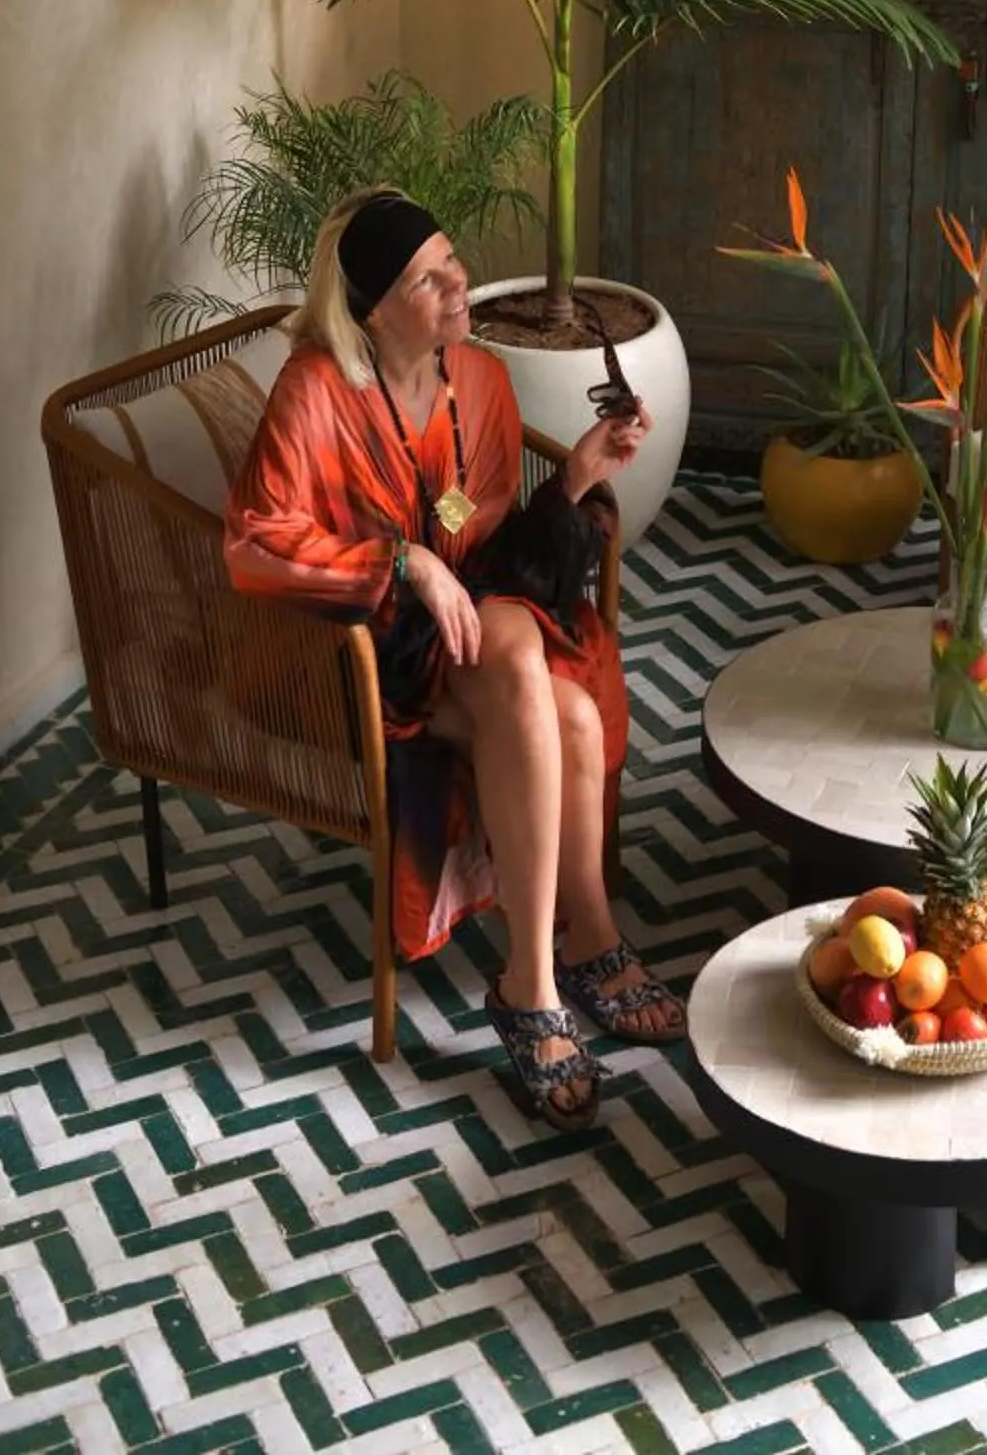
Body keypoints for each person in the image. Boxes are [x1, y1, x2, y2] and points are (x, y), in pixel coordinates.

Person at [223, 187, 684, 1123]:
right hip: (368, 652)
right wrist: (403, 561)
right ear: (375, 308)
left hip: (473, 642)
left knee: (570, 709)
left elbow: (501, 554)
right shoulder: (317, 391)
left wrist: (579, 477)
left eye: (453, 259)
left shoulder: (478, 383)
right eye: (430, 277)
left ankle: (555, 969)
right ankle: (552, 970)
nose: (459, 280)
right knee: (522, 654)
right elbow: (255, 544)